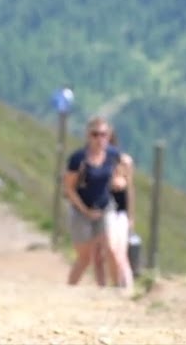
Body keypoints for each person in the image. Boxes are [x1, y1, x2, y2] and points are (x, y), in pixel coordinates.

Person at [63, 116, 121, 287]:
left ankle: (116, 289)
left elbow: (121, 171)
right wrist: (85, 210)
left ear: (109, 135)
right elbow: (69, 188)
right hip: (82, 209)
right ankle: (70, 288)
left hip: (105, 207)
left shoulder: (112, 155)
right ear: (88, 136)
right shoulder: (78, 159)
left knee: (110, 248)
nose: (99, 139)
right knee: (85, 257)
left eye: (103, 134)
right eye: (95, 135)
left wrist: (119, 181)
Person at [104, 131, 136, 290]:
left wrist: (131, 215)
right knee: (111, 247)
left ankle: (126, 285)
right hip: (106, 210)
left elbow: (130, 189)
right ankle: (117, 282)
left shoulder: (125, 162)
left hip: (121, 212)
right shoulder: (98, 163)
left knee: (121, 249)